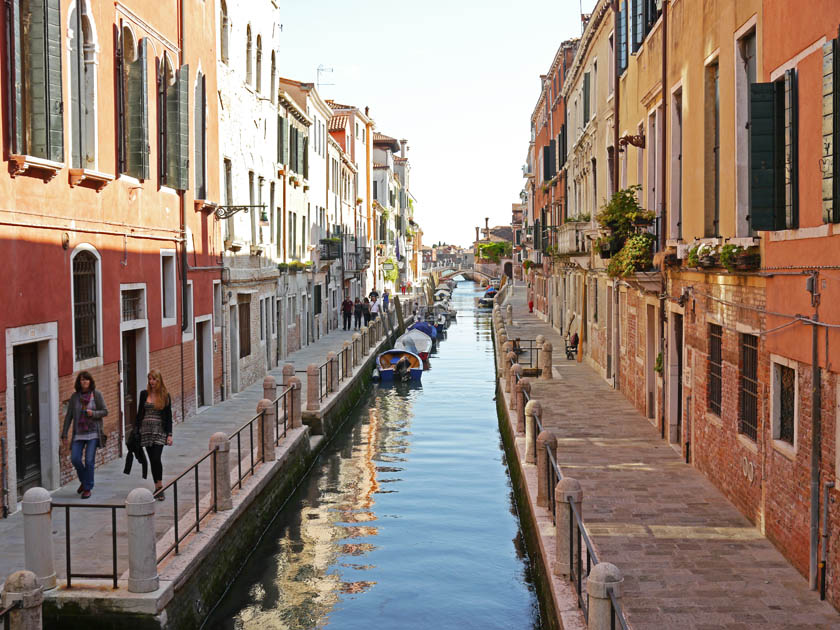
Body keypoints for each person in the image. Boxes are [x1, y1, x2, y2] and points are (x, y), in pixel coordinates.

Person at [61, 371, 108, 499]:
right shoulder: (74, 397)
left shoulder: (96, 395)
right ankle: (84, 481)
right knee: (75, 459)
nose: (84, 382)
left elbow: (105, 411)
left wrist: (93, 413)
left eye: (86, 380)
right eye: (82, 380)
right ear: (79, 382)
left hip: (93, 432)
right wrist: (64, 434)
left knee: (89, 460)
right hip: (79, 433)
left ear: (90, 381)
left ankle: (87, 488)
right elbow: (69, 416)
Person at [135, 370, 173, 500]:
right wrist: (137, 430)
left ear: (159, 380)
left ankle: (160, 487)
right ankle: (157, 486)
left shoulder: (165, 396)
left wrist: (169, 434)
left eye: (154, 379)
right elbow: (139, 413)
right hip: (146, 431)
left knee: (156, 458)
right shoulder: (143, 394)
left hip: (159, 431)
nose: (151, 382)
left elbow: (168, 416)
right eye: (150, 379)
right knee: (152, 460)